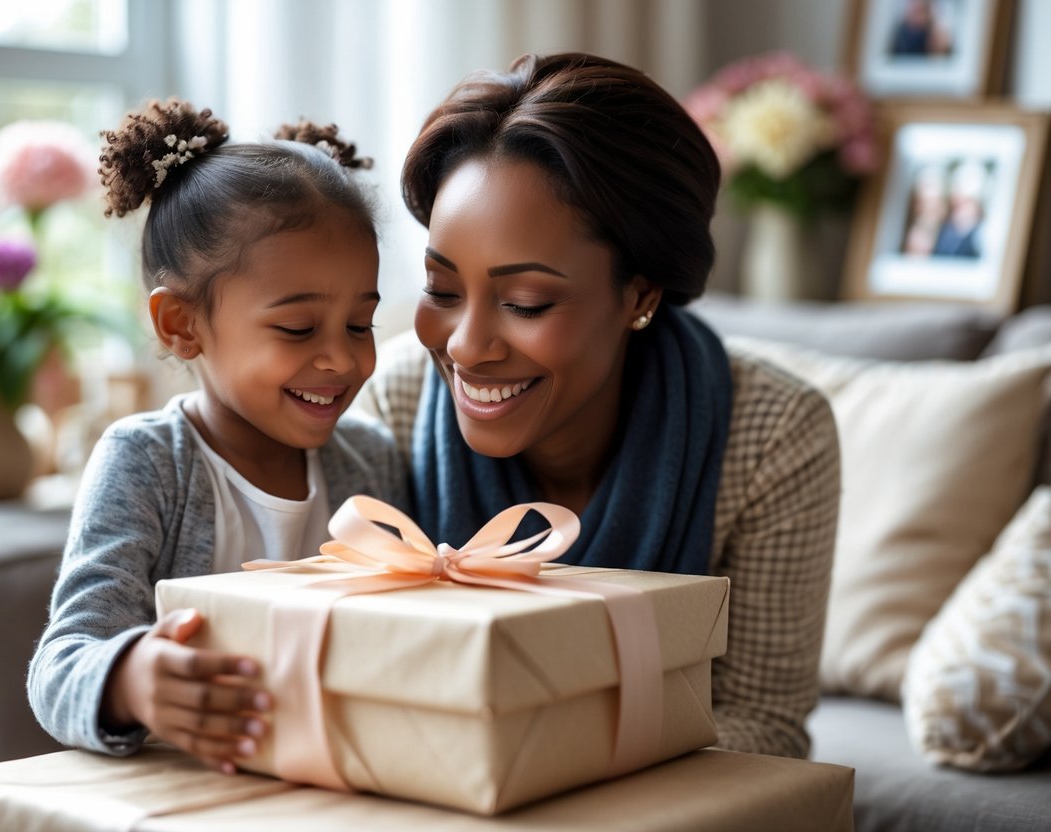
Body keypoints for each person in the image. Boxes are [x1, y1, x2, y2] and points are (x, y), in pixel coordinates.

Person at [359, 53, 841, 759]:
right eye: (440, 290)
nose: (464, 347)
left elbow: (763, 729)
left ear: (639, 296)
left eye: (524, 302)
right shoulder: (398, 401)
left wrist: (532, 763)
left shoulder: (770, 433)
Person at [28, 99, 407, 774]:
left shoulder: (372, 460)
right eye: (297, 329)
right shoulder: (145, 462)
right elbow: (60, 667)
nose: (343, 361)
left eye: (359, 325)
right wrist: (131, 679)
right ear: (180, 324)